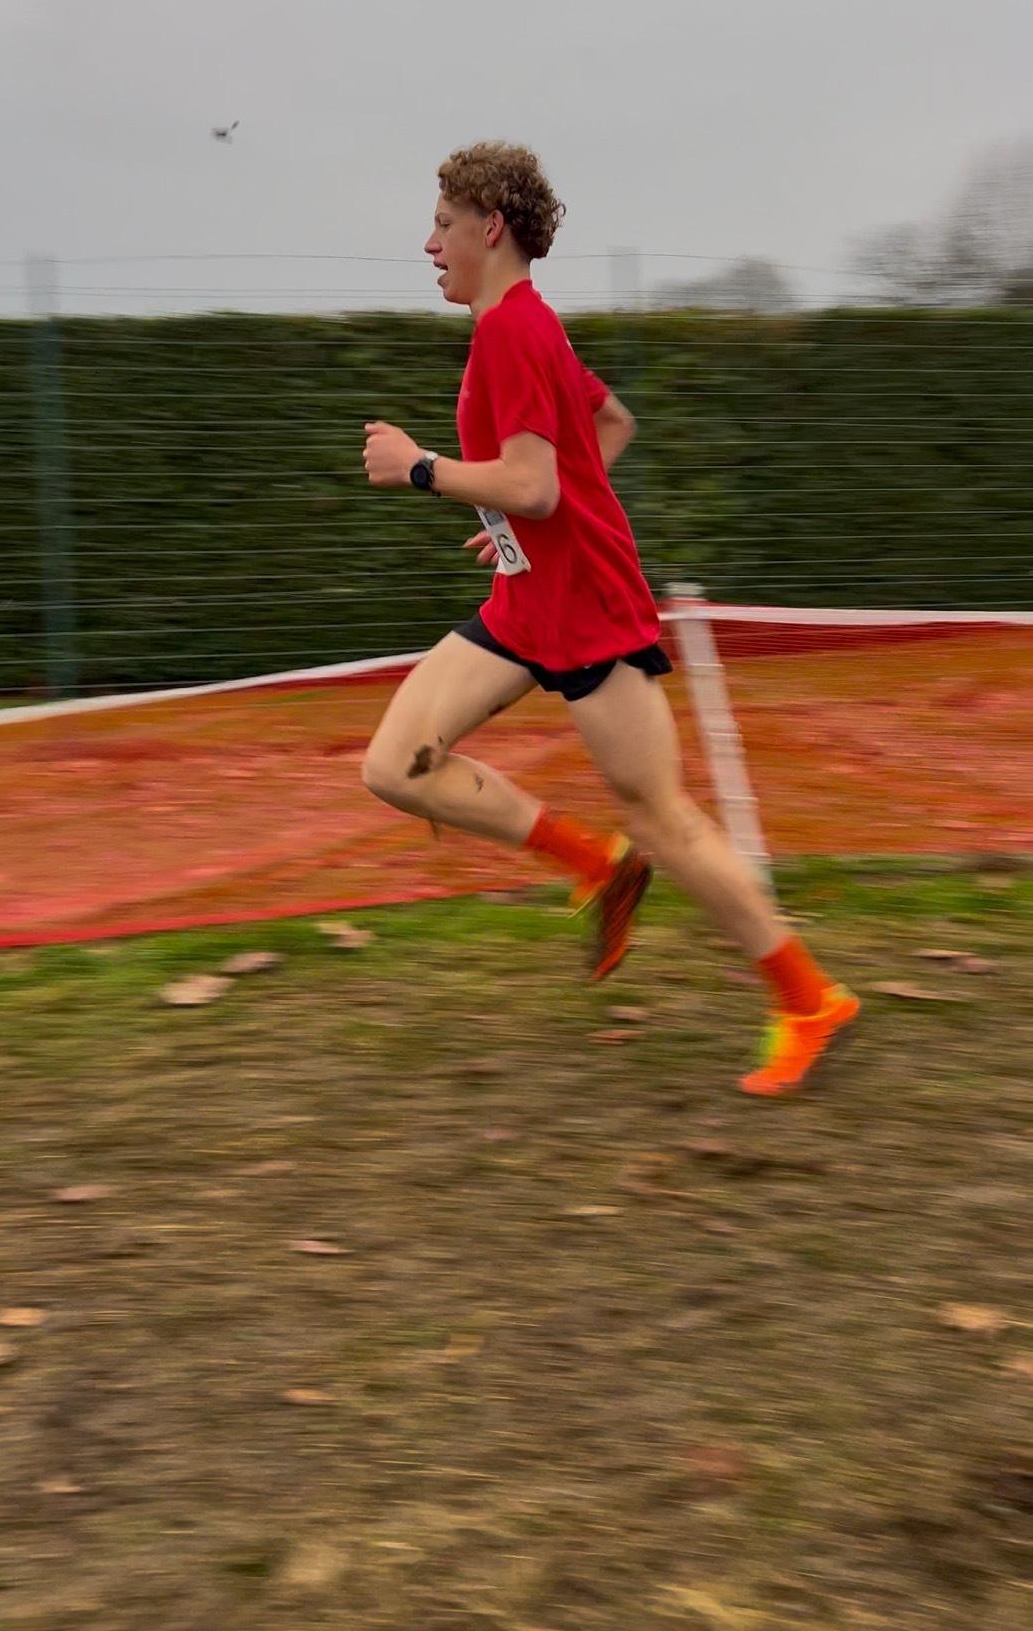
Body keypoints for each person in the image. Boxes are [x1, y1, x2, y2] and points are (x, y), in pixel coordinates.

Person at [361, 142, 858, 1094]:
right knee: (395, 765)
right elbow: (610, 425)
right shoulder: (523, 325)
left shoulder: (513, 332)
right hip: (524, 605)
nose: (429, 245)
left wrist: (423, 469)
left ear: (489, 227)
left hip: (587, 612)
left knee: (666, 817)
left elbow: (537, 483)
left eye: (441, 225)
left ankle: (808, 999)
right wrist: (506, 508)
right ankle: (595, 864)